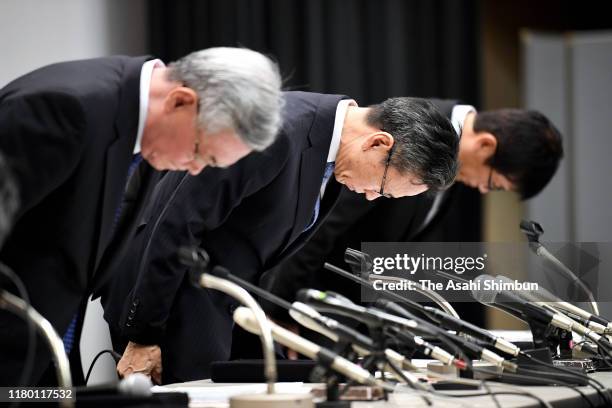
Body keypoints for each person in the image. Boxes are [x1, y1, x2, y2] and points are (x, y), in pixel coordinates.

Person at [101, 92, 459, 384]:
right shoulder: (275, 131)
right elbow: (179, 223)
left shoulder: (325, 150)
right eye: (382, 188)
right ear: (378, 143)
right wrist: (144, 333)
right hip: (165, 304)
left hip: (213, 306)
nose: (369, 197)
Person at [0, 47, 283, 385]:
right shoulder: (67, 108)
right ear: (180, 101)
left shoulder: (139, 127)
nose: (194, 170)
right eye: (198, 152)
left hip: (45, 351)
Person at [262, 99, 564, 330]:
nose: (484, 190)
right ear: (486, 145)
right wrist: (283, 307)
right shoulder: (420, 132)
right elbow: (323, 222)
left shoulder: (454, 165)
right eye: (493, 183)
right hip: (309, 301)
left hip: (351, 311)